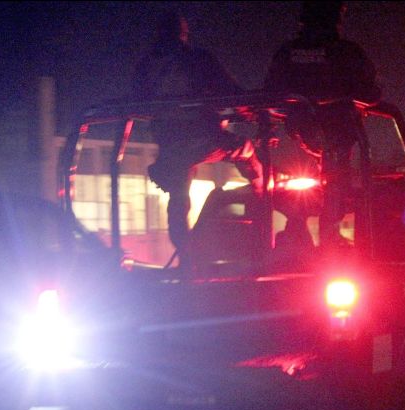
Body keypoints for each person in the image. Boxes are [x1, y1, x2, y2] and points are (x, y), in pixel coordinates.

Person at [132, 10, 263, 263]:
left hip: (170, 147)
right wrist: (252, 113)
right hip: (205, 139)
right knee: (245, 149)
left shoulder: (146, 66)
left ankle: (188, 261)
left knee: (178, 201)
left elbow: (139, 103)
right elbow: (232, 92)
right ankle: (263, 192)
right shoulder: (197, 60)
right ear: (184, 34)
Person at [264, 1, 382, 247]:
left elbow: (269, 93)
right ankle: (329, 235)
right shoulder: (347, 52)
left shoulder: (286, 53)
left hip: (297, 132)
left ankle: (295, 232)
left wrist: (271, 126)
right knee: (337, 181)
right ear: (335, 18)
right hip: (338, 131)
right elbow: (371, 92)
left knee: (299, 179)